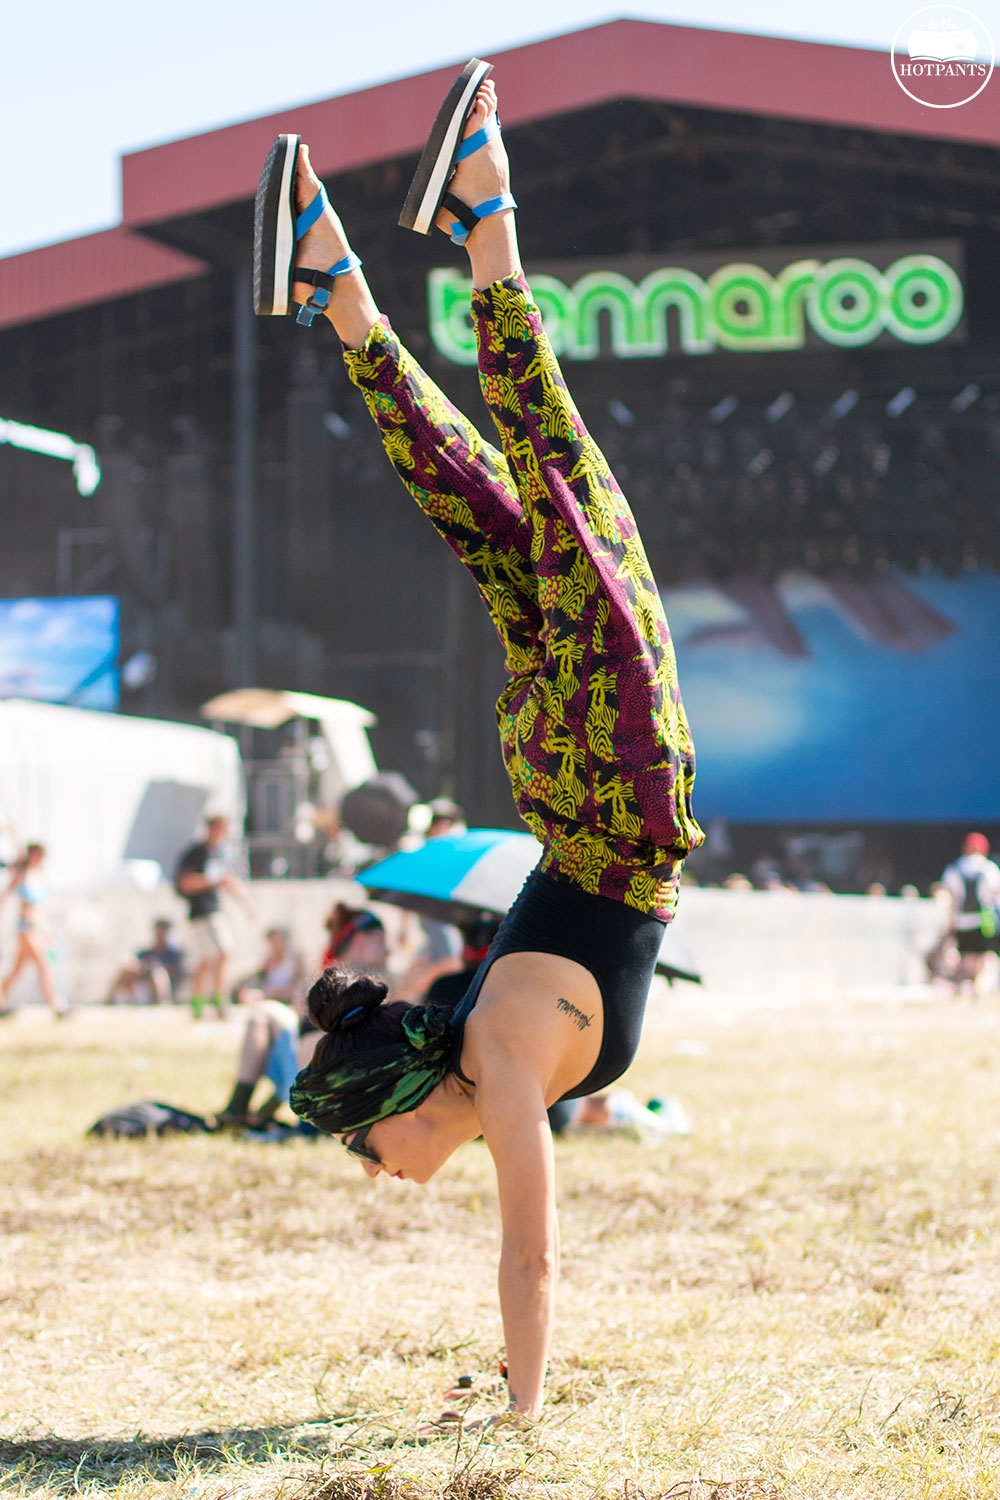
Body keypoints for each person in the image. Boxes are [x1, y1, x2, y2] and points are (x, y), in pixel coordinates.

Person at [257, 67, 701, 1424]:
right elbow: (524, 1246)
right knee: (496, 491)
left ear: (401, 1105)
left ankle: (472, 203)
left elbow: (532, 1252)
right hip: (587, 775)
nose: (374, 1172)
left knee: (540, 467)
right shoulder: (482, 1038)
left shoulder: (496, 1048)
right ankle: (343, 271)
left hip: (613, 780)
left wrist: (519, 1421)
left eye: (359, 1147)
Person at [217, 912, 385, 1128]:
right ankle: (238, 1108)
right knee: (265, 1014)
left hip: (339, 1079)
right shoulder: (334, 974)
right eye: (381, 941)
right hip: (310, 1069)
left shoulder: (381, 978)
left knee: (317, 1036)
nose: (387, 949)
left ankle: (302, 1122)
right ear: (362, 940)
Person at [174, 814, 254, 1018]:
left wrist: (245, 902)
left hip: (215, 910)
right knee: (223, 952)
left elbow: (228, 880)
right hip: (202, 912)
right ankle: (219, 1002)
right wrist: (211, 881)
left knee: (208, 959)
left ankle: (199, 1004)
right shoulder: (196, 853)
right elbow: (185, 883)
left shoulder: (219, 854)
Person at [0, 843, 68, 1017]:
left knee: (17, 970)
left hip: (39, 929)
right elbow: (5, 895)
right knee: (44, 965)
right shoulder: (22, 876)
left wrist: (46, 931)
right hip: (26, 928)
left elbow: (42, 909)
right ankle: (57, 1006)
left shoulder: (39, 876)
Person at [940, 833, 1000, 994]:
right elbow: (995, 895)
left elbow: (949, 898)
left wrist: (949, 923)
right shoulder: (989, 868)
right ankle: (976, 987)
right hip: (983, 921)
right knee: (981, 956)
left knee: (965, 955)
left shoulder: (955, 868)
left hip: (961, 921)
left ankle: (968, 985)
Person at [107, 917, 186, 1004]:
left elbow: (176, 971)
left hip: (164, 983)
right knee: (127, 968)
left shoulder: (174, 954)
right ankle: (111, 999)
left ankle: (162, 1002)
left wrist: (155, 967)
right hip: (142, 981)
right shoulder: (145, 952)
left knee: (158, 972)